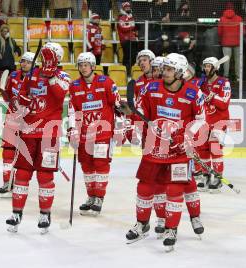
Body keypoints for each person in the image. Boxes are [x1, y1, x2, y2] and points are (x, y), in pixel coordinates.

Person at [125, 53, 205, 252]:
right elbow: (140, 107)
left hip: (179, 150)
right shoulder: (151, 88)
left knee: (175, 190)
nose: (164, 72)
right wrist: (130, 114)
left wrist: (186, 137)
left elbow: (201, 120)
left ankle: (171, 229)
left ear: (179, 72)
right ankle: (142, 224)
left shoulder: (194, 93)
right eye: (164, 69)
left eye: (169, 69)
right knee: (144, 187)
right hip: (154, 146)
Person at [5, 43, 71, 234]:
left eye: (48, 56)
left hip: (48, 134)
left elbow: (59, 96)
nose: (44, 59)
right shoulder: (32, 74)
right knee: (22, 175)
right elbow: (21, 99)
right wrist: (22, 102)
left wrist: (50, 76)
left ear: (56, 58)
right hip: (28, 132)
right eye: (43, 56)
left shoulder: (63, 76)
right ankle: (16, 213)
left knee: (44, 176)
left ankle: (45, 214)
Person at [67, 52, 121, 216]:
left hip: (103, 133)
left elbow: (117, 105)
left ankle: (99, 197)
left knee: (100, 164)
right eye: (81, 65)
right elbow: (72, 110)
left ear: (93, 66)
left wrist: (119, 128)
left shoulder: (106, 82)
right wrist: (72, 131)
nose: (83, 68)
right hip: (85, 134)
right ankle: (91, 197)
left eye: (86, 64)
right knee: (87, 165)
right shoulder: (74, 86)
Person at [0, 51, 35, 198]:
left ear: (33, 64)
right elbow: (8, 99)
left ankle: (20, 182)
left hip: (28, 121)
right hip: (12, 118)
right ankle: (7, 182)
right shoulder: (13, 76)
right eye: (23, 61)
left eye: (28, 62)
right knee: (7, 151)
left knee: (24, 154)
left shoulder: (37, 79)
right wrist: (3, 90)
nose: (24, 64)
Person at [196, 57, 231, 192]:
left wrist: (213, 96)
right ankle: (205, 175)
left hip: (219, 121)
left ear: (216, 68)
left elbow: (224, 103)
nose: (206, 68)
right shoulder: (202, 82)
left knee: (215, 149)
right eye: (205, 66)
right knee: (202, 150)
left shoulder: (224, 82)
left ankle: (217, 178)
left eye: (209, 66)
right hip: (204, 121)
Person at [0, 24, 21, 94]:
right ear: (1, 32)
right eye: (4, 31)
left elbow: (18, 48)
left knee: (9, 82)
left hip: (10, 66)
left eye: (7, 31)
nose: (5, 33)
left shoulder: (12, 41)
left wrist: (17, 52)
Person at [218, 3, 244, 80]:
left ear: (226, 8)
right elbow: (243, 31)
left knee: (226, 60)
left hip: (226, 43)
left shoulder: (222, 19)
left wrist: (221, 38)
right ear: (233, 9)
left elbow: (219, 32)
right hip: (237, 42)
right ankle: (238, 77)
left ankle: (226, 76)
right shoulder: (239, 18)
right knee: (238, 60)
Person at [117, 2, 138, 75]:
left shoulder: (131, 16)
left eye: (129, 7)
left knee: (133, 55)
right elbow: (123, 28)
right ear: (123, 8)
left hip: (132, 39)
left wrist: (130, 26)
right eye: (126, 7)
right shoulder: (121, 17)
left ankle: (131, 71)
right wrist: (131, 26)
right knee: (127, 56)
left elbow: (134, 27)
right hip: (125, 39)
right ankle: (126, 72)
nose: (128, 8)